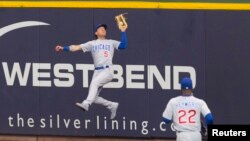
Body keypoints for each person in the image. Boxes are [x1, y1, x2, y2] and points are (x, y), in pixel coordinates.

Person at [55, 23, 128, 119]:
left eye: (104, 29)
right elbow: (76, 47)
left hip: (107, 70)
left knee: (94, 84)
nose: (103, 29)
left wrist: (123, 31)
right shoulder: (92, 43)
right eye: (101, 28)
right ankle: (111, 105)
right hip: (97, 72)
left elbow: (123, 46)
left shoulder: (111, 42)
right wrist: (63, 48)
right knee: (94, 97)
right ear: (96, 32)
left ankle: (86, 103)